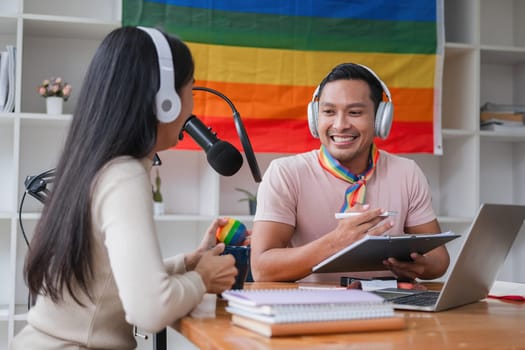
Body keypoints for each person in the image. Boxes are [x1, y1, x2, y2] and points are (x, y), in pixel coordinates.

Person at [11, 26, 238, 349]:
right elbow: (150, 309)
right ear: (165, 101)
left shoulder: (95, 164)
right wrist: (203, 279)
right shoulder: (124, 175)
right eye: (191, 89)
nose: (191, 107)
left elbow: (106, 282)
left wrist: (189, 262)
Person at [250, 62, 450, 284]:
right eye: (328, 112)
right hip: (311, 310)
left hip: (390, 309)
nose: (340, 125)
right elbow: (262, 269)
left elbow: (439, 260)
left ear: (379, 119)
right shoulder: (286, 173)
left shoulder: (407, 172)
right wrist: (337, 242)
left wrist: (419, 265)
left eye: (354, 112)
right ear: (315, 119)